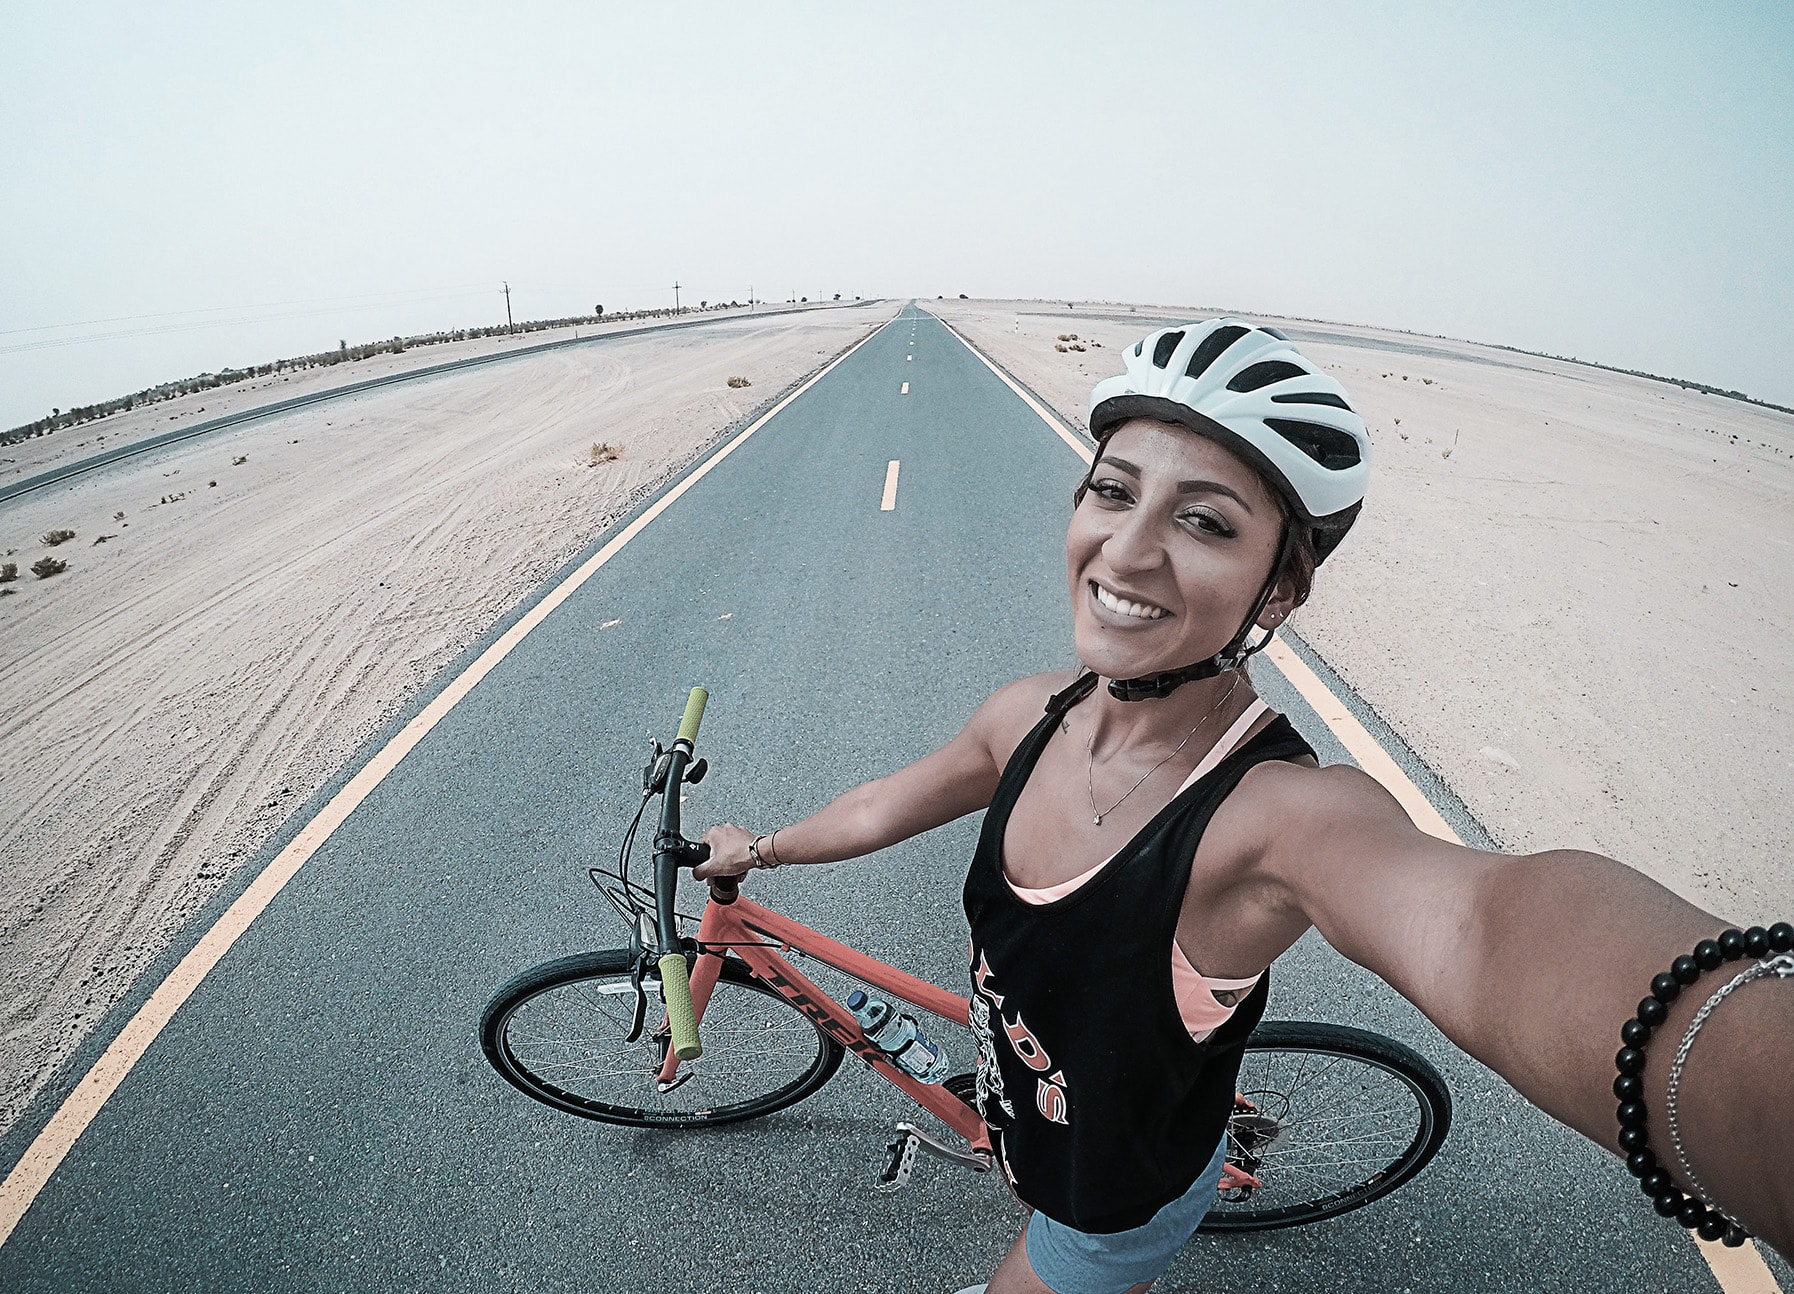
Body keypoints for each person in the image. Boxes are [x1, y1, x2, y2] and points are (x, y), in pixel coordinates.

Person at [694, 318, 1793, 1291]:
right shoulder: (1024, 714)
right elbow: (891, 800)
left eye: (1207, 523)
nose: (1127, 549)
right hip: (1054, 1114)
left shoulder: (1277, 816)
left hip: (1103, 1203)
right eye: (1115, 490)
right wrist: (768, 848)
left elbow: (1484, 927)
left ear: (1278, 589)